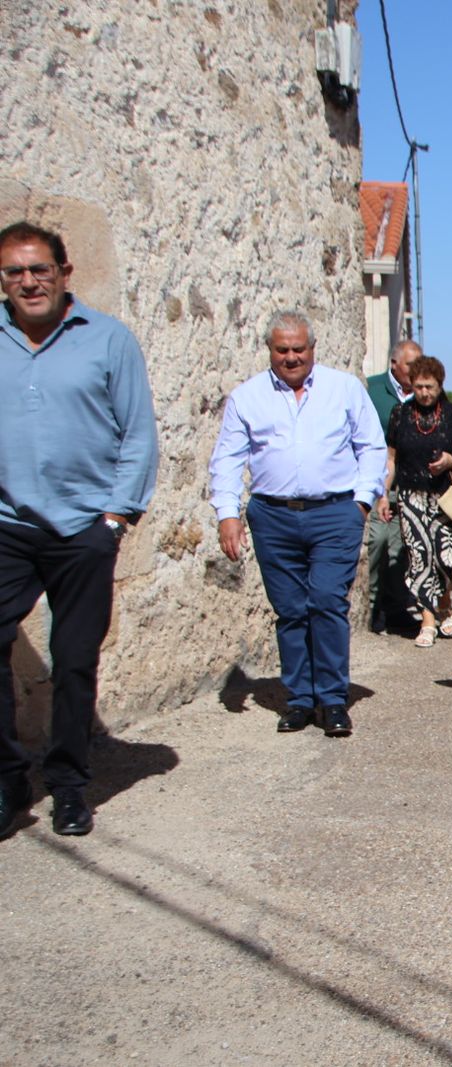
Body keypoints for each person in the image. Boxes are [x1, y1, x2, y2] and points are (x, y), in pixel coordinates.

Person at [0, 221, 159, 838]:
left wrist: (116, 518)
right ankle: (9, 777)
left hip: (84, 526)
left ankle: (68, 783)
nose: (28, 281)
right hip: (8, 523)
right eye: (14, 271)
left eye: (40, 269)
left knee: (72, 659)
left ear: (65, 274)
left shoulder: (108, 339)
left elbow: (136, 432)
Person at [209, 311, 386, 737]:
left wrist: (360, 503)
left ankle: (332, 698)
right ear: (270, 350)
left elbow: (371, 446)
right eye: (282, 350)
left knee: (325, 600)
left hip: (334, 513)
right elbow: (228, 459)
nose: (291, 357)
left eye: (298, 349)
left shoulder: (343, 388)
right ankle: (300, 700)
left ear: (312, 349)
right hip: (272, 515)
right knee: (290, 611)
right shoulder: (248, 397)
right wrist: (228, 514)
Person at [384, 355, 452, 648]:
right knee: (420, 556)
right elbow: (391, 458)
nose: (424, 393)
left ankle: (444, 601)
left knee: (446, 556)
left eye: (429, 386)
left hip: (445, 496)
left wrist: (450, 460)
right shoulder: (400, 414)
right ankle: (427, 620)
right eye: (418, 387)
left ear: (439, 384)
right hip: (411, 496)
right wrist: (384, 493)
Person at [365, 340, 419, 633]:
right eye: (411, 364)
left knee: (402, 549)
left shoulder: (424, 393)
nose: (416, 370)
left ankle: (397, 608)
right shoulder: (372, 390)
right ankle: (372, 605)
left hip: (409, 484)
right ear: (395, 364)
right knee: (377, 543)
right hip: (377, 482)